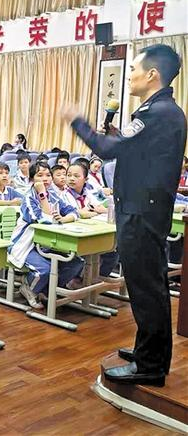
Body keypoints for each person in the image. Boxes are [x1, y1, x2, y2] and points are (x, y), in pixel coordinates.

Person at [61, 44, 186, 386]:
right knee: (147, 284)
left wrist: (77, 121)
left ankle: (151, 365)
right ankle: (148, 351)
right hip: (145, 209)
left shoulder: (156, 112)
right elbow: (136, 153)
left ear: (152, 74)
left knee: (146, 288)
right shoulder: (162, 111)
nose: (129, 76)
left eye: (133, 69)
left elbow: (105, 150)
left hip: (141, 212)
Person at [7, 162, 82, 310]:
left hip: (48, 244)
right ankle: (29, 288)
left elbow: (74, 211)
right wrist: (42, 194)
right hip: (26, 245)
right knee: (45, 269)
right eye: (40, 175)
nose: (45, 178)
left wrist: (64, 218)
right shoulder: (28, 198)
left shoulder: (53, 195)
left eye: (48, 175)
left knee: (76, 262)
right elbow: (44, 220)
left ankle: (46, 290)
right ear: (32, 179)